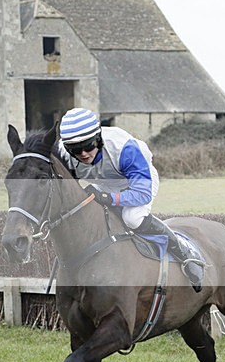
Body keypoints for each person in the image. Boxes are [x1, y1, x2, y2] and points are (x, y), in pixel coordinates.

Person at [56, 107, 205, 292]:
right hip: (105, 183)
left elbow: (142, 193)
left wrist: (108, 198)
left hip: (138, 183)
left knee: (132, 218)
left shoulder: (124, 148)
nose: (84, 154)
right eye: (76, 150)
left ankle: (183, 251)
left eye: (89, 146)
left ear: (98, 138)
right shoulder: (63, 152)